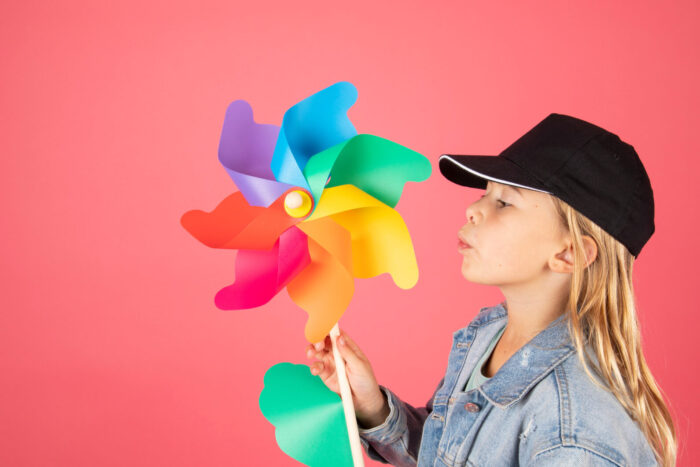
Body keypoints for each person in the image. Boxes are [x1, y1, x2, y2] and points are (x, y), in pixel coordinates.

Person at [305, 114, 677, 466]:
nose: (473, 208)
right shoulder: (490, 333)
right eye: (484, 194)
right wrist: (373, 408)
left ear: (568, 253)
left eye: (503, 202)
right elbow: (450, 452)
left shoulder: (575, 432)